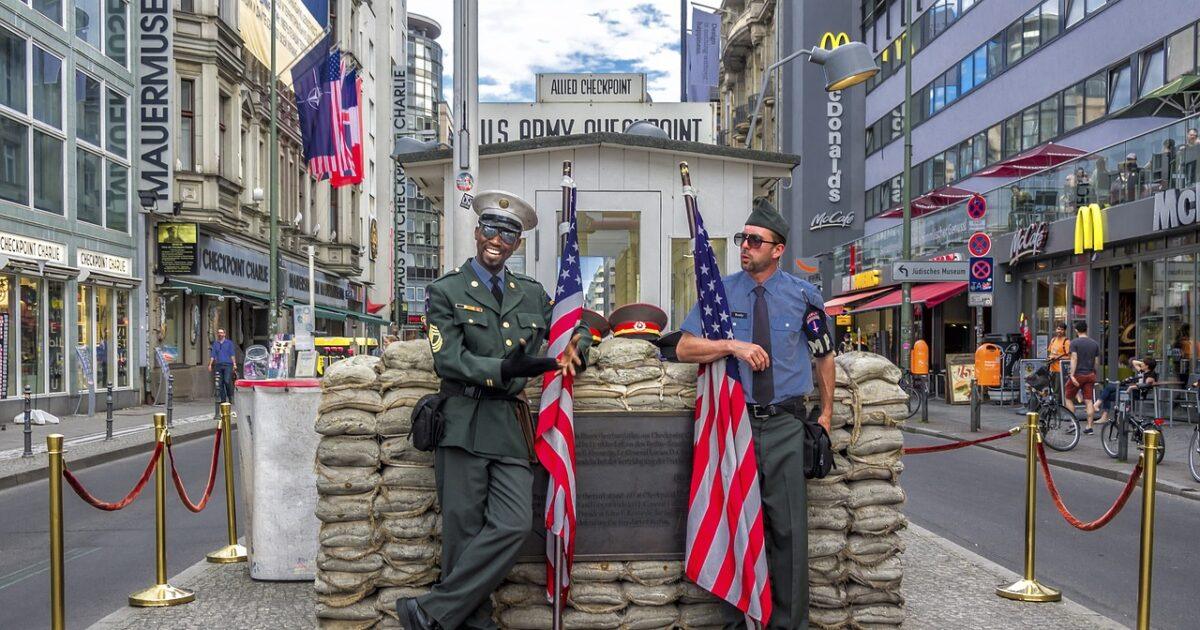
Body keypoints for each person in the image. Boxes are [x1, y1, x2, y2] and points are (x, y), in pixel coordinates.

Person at [397, 191, 590, 630]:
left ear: (518, 244)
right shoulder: (445, 291)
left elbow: (574, 323)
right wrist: (503, 367)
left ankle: (429, 612)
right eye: (490, 228)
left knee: (514, 523)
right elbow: (448, 359)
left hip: (508, 427)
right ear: (476, 231)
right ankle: (472, 623)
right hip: (462, 421)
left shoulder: (531, 293)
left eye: (508, 233)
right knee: (462, 536)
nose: (497, 239)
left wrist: (579, 346)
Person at [675, 198, 835, 630]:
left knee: (788, 533)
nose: (744, 246)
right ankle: (741, 621)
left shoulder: (804, 297)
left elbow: (823, 357)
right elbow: (685, 348)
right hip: (734, 425)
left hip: (785, 425)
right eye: (742, 239)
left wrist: (825, 415)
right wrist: (732, 346)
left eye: (753, 240)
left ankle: (788, 624)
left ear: (777, 249)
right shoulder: (720, 292)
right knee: (737, 528)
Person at [1064, 321, 1102, 434]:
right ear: (1086, 329)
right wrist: (1094, 373)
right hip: (1090, 375)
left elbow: (1074, 359)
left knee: (1068, 397)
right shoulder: (1094, 344)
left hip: (1078, 375)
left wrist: (1072, 374)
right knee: (1089, 401)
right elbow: (1096, 361)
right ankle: (1089, 427)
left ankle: (1073, 424)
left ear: (1076, 330)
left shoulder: (1074, 343)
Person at [1097, 357, 1158, 424]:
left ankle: (1099, 407)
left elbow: (1145, 385)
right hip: (1130, 390)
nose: (1141, 364)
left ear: (1147, 366)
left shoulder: (1151, 375)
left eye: (1143, 363)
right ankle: (1104, 416)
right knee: (1107, 393)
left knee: (1108, 389)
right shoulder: (1143, 371)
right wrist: (1147, 364)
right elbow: (1134, 362)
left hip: (1135, 393)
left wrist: (1131, 387)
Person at [208, 328, 238, 403]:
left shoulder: (229, 343)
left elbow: (232, 354)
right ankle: (223, 400)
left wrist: (234, 364)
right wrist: (210, 364)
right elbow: (213, 355)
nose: (220, 334)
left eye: (221, 333)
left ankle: (230, 396)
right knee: (220, 383)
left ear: (224, 334)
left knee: (227, 381)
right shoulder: (215, 344)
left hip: (228, 364)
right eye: (218, 333)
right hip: (218, 365)